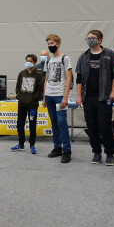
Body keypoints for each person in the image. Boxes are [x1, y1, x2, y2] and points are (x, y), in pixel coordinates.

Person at [76, 30, 114, 166]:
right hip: (88, 98)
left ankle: (110, 153)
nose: (89, 40)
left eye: (92, 38)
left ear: (99, 40)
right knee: (92, 126)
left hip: (104, 97)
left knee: (105, 126)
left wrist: (113, 91)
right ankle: (96, 152)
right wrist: (78, 96)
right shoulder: (83, 57)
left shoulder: (109, 54)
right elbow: (79, 79)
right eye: (88, 38)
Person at [42, 34, 72, 163]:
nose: (50, 46)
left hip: (59, 96)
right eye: (48, 44)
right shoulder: (48, 60)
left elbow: (69, 78)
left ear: (58, 44)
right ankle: (57, 147)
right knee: (54, 123)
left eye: (52, 43)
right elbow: (46, 79)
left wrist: (65, 97)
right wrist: (44, 97)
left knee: (61, 122)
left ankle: (67, 150)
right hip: (49, 95)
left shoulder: (65, 58)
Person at [11, 54, 43, 154]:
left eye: (31, 61)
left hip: (33, 105)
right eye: (27, 60)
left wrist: (34, 98)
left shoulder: (38, 75)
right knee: (20, 124)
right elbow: (17, 87)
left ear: (34, 63)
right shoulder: (21, 73)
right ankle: (21, 144)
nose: (28, 63)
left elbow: (40, 90)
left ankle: (32, 145)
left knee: (32, 125)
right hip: (22, 104)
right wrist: (19, 96)